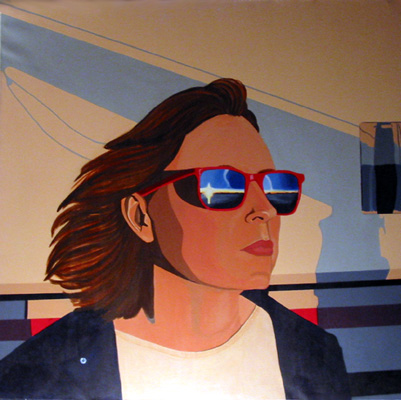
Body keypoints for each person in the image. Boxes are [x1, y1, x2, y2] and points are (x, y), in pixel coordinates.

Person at [0, 78, 350, 399]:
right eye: (221, 185)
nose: (265, 210)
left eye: (275, 187)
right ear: (140, 215)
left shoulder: (313, 353)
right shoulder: (40, 376)